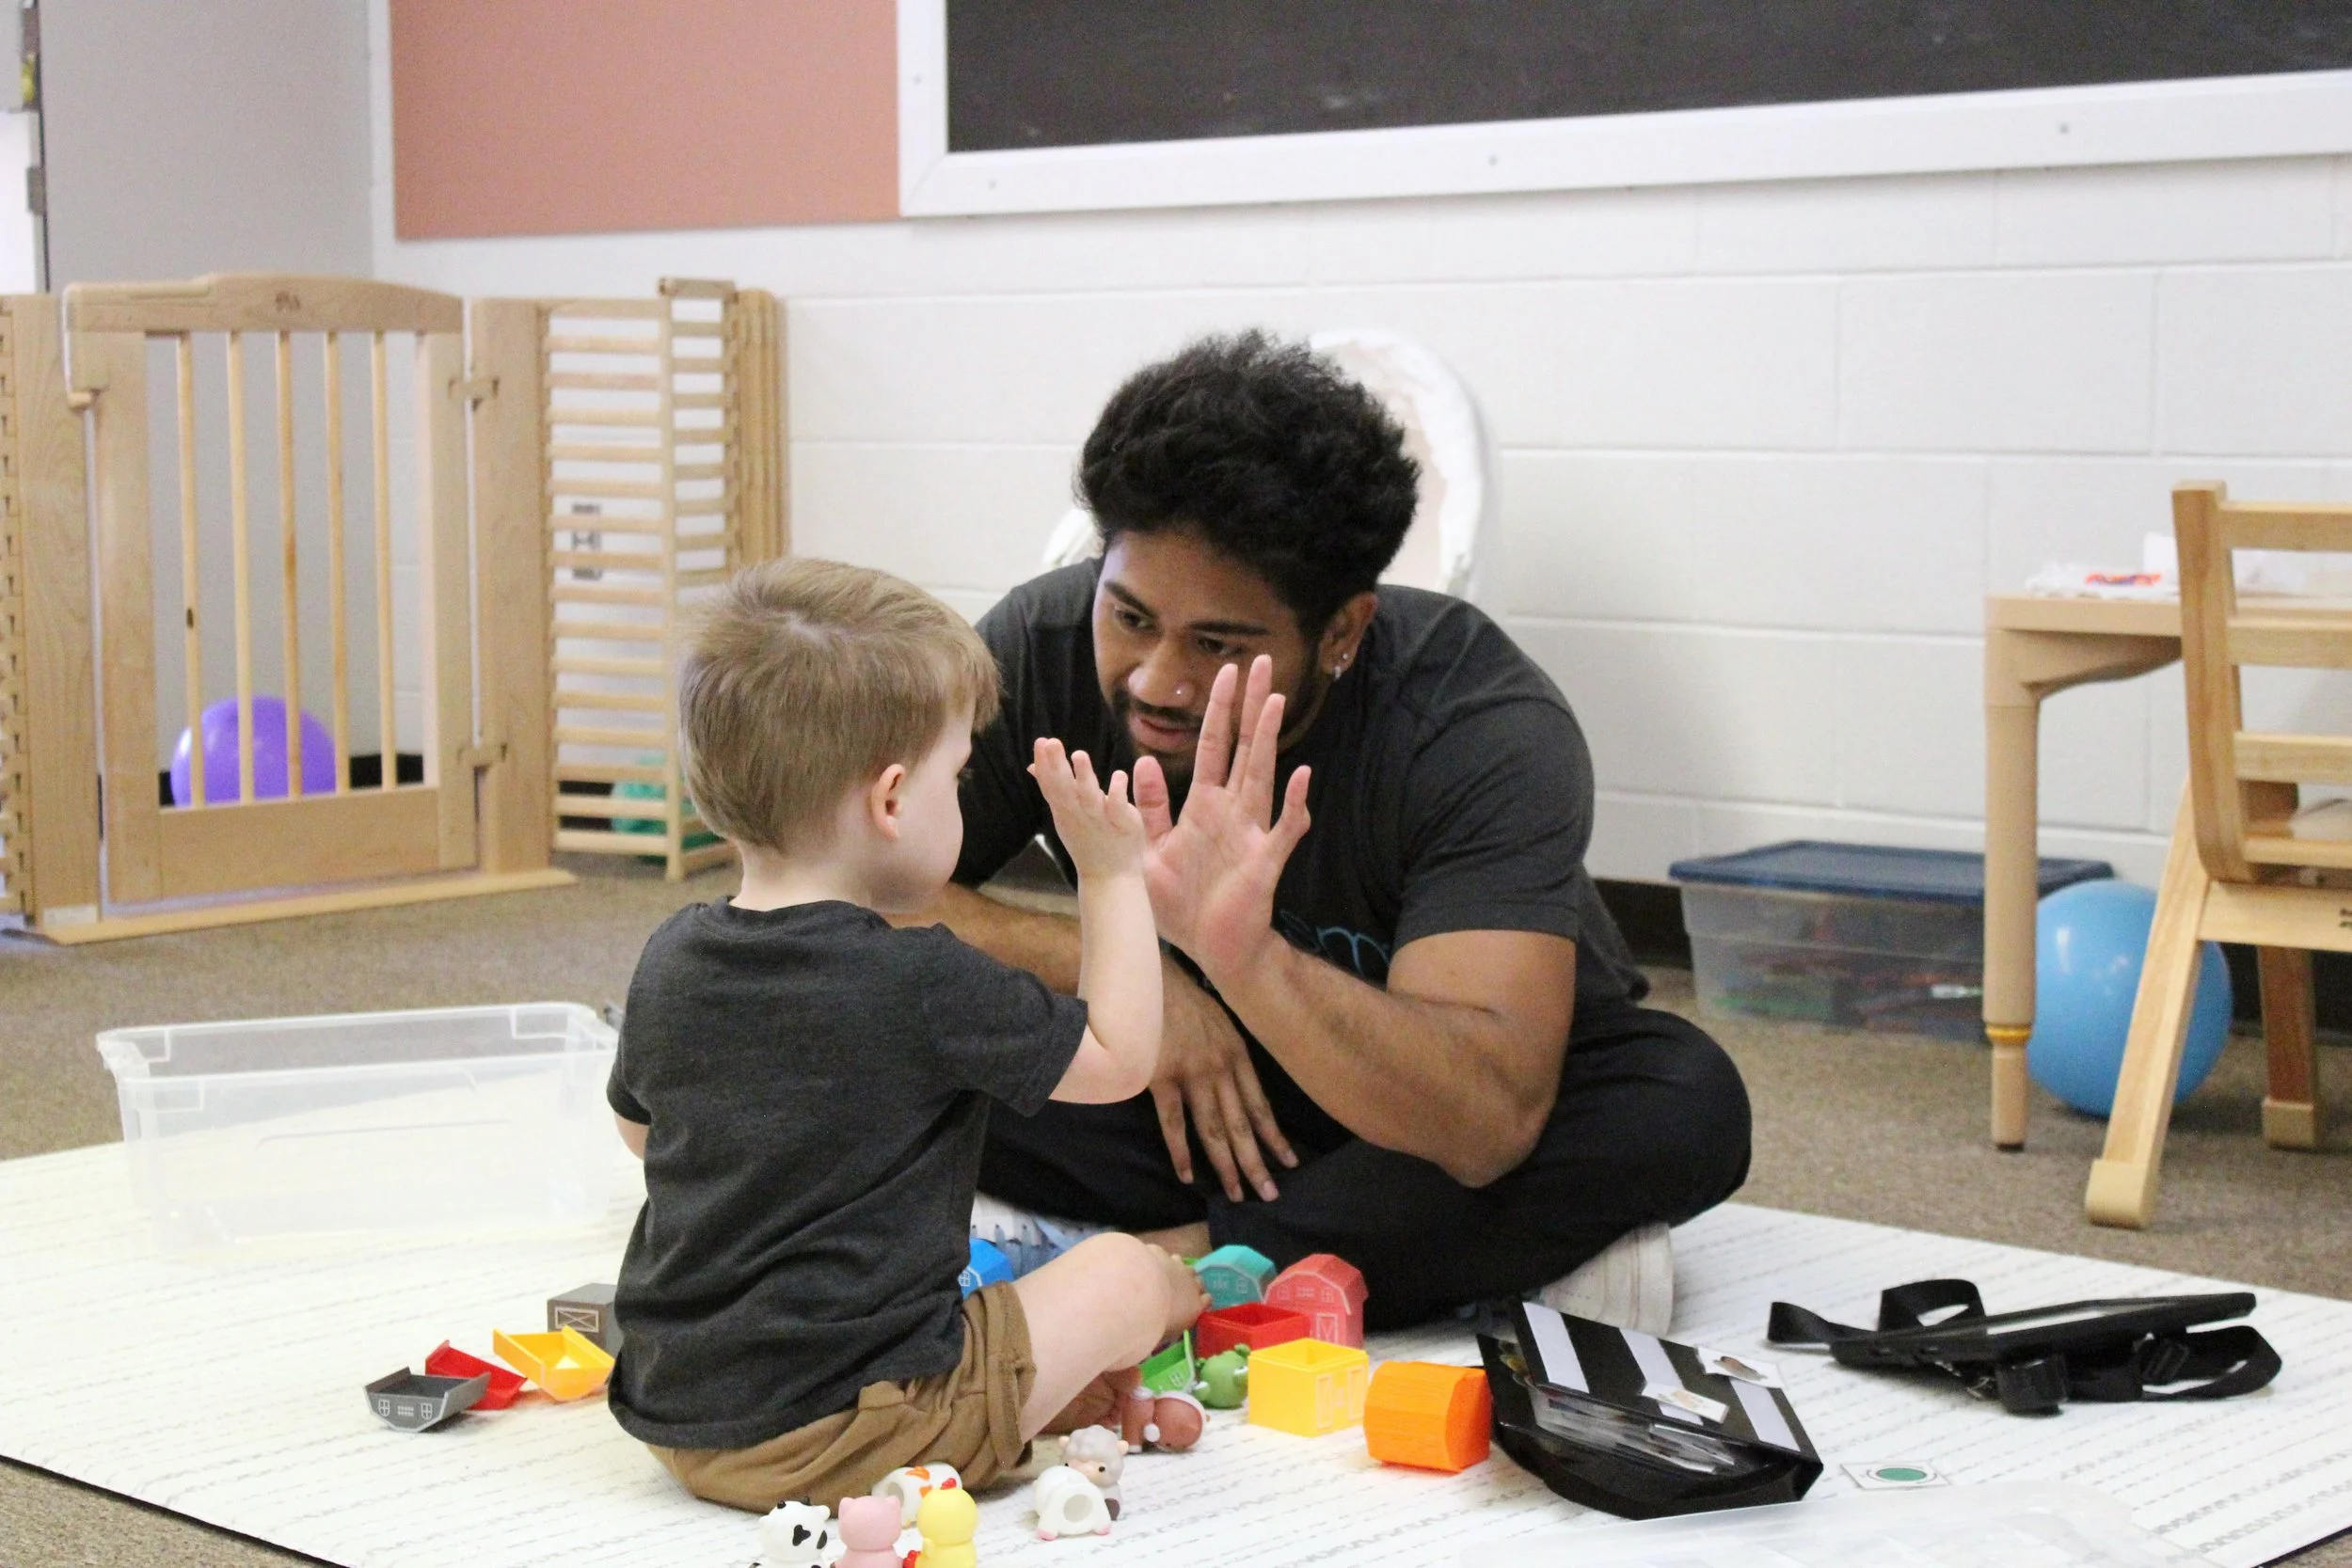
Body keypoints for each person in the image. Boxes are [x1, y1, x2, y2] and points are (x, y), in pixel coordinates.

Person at [926, 331, 1753, 1332]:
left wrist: (1246, 962)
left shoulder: (1475, 719)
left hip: (1413, 1095)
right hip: (1189, 1090)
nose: (1154, 679)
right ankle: (1367, 1250)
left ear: (1344, 631)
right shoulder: (1041, 642)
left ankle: (1194, 1257)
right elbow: (850, 894)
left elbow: (1486, 1121)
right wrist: (1119, 964)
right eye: (1131, 616)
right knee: (829, 1021)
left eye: (1218, 644)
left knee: (1680, 1101)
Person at [605, 559, 1213, 1513]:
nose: (964, 797)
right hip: (849, 1432)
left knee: (988, 1285)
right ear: (892, 800)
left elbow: (646, 1136)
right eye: (959, 775)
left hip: (677, 1415)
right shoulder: (921, 974)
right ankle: (1151, 1313)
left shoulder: (672, 955)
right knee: (1123, 1273)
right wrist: (1109, 877)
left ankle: (1028, 1400)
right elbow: (1121, 1055)